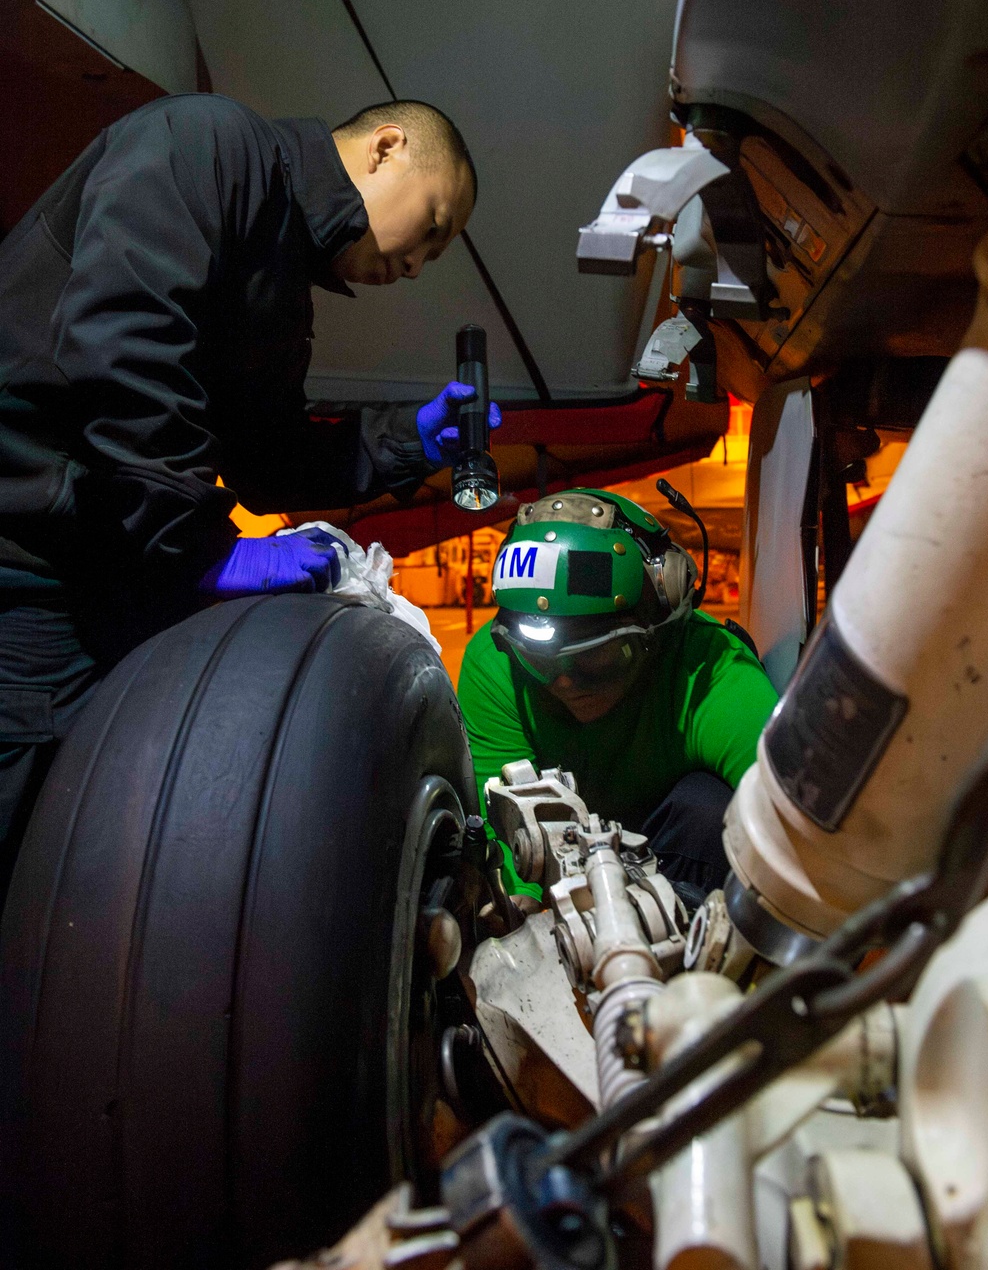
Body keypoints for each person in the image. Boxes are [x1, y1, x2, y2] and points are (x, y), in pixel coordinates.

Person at [0, 92, 497, 866]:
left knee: (81, 855)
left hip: (94, 574)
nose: (414, 267)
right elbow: (121, 347)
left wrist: (410, 440)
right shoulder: (206, 147)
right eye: (430, 230)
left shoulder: (281, 284)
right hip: (21, 564)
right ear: (386, 148)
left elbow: (268, 458)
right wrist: (202, 551)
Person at [457, 488, 778, 909]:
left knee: (707, 810)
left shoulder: (709, 668)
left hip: (681, 857)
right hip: (562, 865)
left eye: (597, 655)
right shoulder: (496, 664)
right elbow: (512, 838)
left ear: (656, 633)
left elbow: (807, 827)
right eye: (538, 658)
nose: (566, 682)